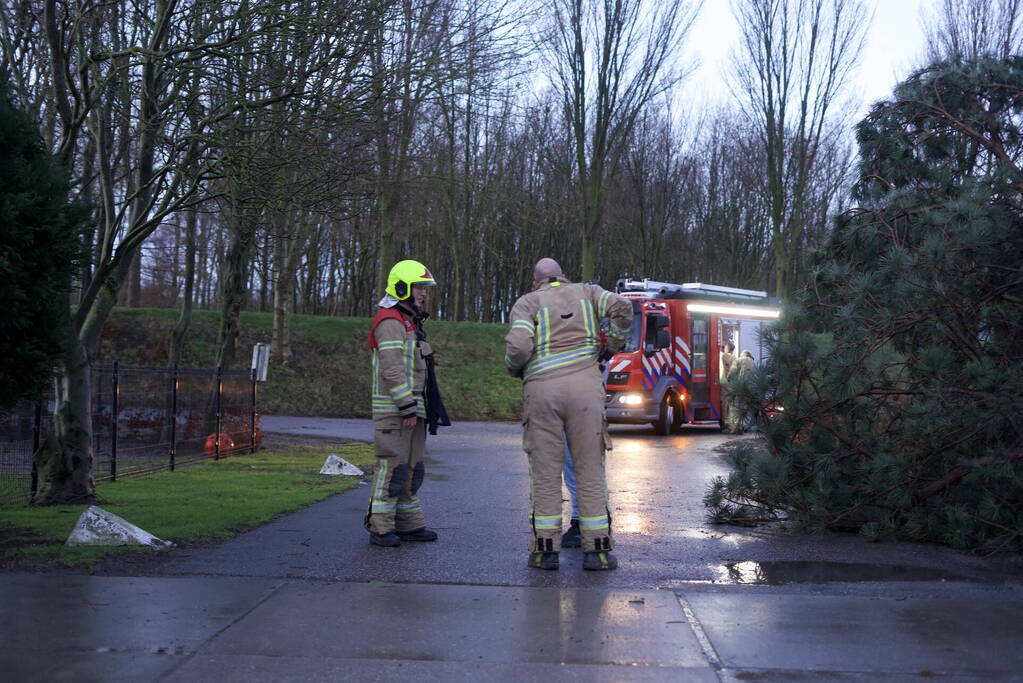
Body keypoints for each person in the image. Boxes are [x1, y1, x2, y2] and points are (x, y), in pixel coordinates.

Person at [505, 258, 632, 570]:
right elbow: (624, 307)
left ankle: (545, 552)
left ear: (536, 281)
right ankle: (597, 552)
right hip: (586, 392)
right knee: (590, 469)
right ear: (563, 276)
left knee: (545, 473)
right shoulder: (589, 293)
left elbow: (518, 348)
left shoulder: (527, 302)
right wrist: (612, 345)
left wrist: (515, 368)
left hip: (542, 394)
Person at [364, 259, 442, 547]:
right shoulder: (390, 321)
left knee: (412, 468)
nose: (423, 292)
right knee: (392, 469)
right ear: (401, 288)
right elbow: (392, 369)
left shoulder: (409, 321)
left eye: (424, 287)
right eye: (418, 287)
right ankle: (380, 528)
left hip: (412, 408)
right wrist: (406, 405)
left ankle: (408, 524)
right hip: (395, 410)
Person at [727, 349, 757, 434]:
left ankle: (735, 427)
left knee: (735, 407)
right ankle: (743, 426)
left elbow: (731, 374)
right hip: (749, 389)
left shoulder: (738, 360)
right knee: (744, 408)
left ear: (742, 355)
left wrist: (728, 380)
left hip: (739, 388)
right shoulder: (753, 363)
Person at [720, 341, 736, 432]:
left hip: (723, 382)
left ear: (727, 348)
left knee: (725, 403)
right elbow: (734, 370)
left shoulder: (722, 356)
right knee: (730, 404)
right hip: (729, 383)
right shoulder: (734, 358)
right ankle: (729, 425)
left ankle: (726, 424)